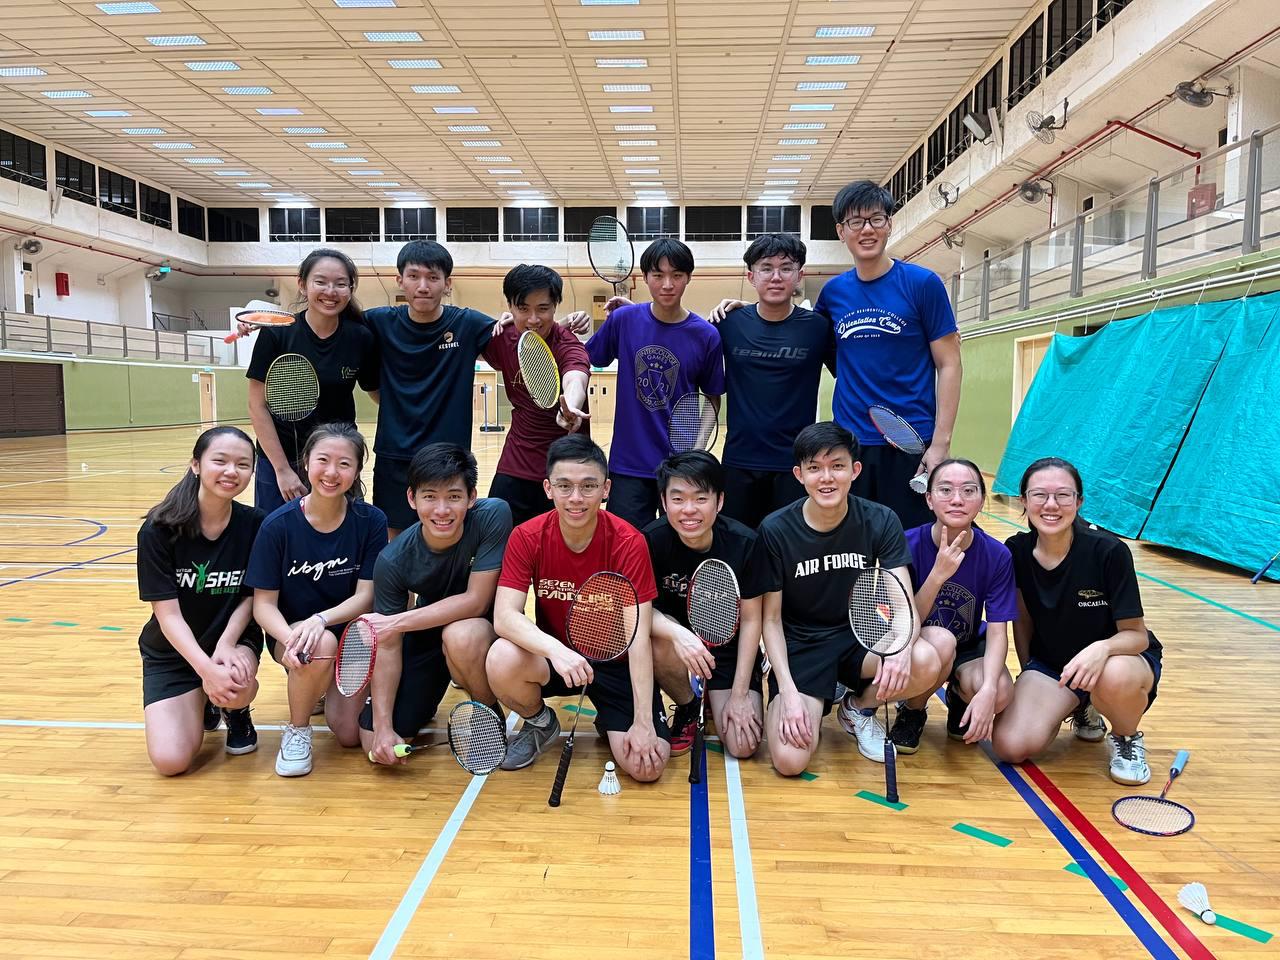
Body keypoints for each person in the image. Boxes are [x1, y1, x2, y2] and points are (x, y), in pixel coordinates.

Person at [711, 182, 962, 530]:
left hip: (909, 440)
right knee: (851, 542)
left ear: (890, 224)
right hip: (849, 444)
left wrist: (940, 443)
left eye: (876, 219)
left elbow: (949, 364)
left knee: (908, 541)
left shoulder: (923, 284)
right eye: (856, 222)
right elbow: (792, 327)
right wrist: (749, 310)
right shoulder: (834, 293)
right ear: (842, 231)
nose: (867, 229)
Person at [758, 422, 947, 777]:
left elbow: (902, 601)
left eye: (837, 466)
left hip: (859, 638)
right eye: (815, 468)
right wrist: (788, 690)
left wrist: (901, 650)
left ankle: (856, 708)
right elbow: (770, 620)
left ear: (855, 470)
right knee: (789, 761)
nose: (826, 478)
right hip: (802, 645)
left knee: (923, 660)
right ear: (799, 475)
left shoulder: (880, 519)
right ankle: (805, 698)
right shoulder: (775, 529)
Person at [487, 434, 669, 782]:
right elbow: (505, 617)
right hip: (558, 662)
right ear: (548, 488)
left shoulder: (629, 542)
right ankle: (540, 723)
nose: (576, 498)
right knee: (501, 657)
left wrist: (643, 721)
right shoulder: (526, 536)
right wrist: (558, 652)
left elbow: (638, 637)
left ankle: (612, 717)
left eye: (588, 486)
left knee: (648, 767)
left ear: (606, 489)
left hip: (615, 664)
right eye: (564, 486)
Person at [993, 457, 1163, 786]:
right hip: (1054, 666)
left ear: (1079, 501)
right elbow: (1022, 619)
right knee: (1010, 746)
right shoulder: (1016, 550)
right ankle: (1081, 705)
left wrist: (1101, 649)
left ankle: (1126, 738)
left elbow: (1136, 636)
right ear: (1024, 500)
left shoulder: (1109, 551)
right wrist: (1028, 672)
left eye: (1063, 495)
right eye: (1039, 495)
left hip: (1117, 662)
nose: (1051, 505)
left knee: (1114, 675)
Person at [247, 423, 388, 777]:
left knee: (349, 734)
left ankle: (333, 684)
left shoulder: (370, 521)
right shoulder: (277, 526)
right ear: (306, 462)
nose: (331, 472)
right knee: (318, 644)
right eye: (323, 460)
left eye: (344, 464)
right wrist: (293, 637)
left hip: (351, 636)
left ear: (357, 471)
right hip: (295, 635)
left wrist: (321, 618)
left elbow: (366, 596)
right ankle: (298, 730)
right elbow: (263, 605)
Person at [361, 443, 512, 765]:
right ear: (412, 498)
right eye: (430, 496)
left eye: (454, 497)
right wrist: (384, 726)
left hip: (486, 628)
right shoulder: (392, 560)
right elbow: (387, 645)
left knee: (461, 636)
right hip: (428, 628)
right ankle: (426, 696)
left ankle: (487, 714)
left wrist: (398, 622)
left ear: (471, 497)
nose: (442, 510)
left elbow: (476, 601)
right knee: (371, 742)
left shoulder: (493, 515)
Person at [136, 426, 264, 775]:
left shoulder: (256, 525)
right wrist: (206, 670)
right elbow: (168, 615)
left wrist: (226, 644)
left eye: (243, 464)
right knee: (171, 762)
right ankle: (203, 696)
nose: (231, 471)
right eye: (220, 461)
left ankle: (235, 710)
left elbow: (252, 596)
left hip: (233, 640)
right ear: (195, 465)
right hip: (173, 651)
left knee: (236, 683)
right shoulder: (159, 530)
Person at [585, 238, 724, 530]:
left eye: (677, 275)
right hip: (629, 465)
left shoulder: (706, 335)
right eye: (658, 275)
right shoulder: (624, 320)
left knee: (678, 546)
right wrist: (560, 326)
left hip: (679, 465)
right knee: (627, 546)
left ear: (688, 277)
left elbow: (712, 398)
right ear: (645, 277)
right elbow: (584, 358)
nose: (667, 284)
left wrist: (696, 450)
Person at [362, 241, 495, 536]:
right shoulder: (377, 322)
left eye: (433, 278)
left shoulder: (468, 323)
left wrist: (560, 324)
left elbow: (520, 335)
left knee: (447, 532)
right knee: (395, 537)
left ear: (447, 284)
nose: (423, 286)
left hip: (449, 457)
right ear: (400, 280)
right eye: (414, 276)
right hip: (394, 454)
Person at [643, 451, 767, 759]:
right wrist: (678, 634)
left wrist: (739, 695)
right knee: (655, 638)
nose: (689, 510)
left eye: (700, 498)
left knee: (743, 745)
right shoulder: (651, 541)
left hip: (727, 648)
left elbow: (752, 620)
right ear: (664, 502)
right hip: (676, 649)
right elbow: (641, 613)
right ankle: (687, 705)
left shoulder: (745, 543)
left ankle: (723, 692)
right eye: (678, 499)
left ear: (719, 501)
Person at [710, 234, 834, 528]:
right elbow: (682, 335)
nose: (776, 277)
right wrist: (635, 311)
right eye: (766, 268)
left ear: (799, 275)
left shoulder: (818, 328)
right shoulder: (728, 323)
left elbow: (851, 373)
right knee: (739, 544)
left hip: (796, 465)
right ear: (751, 276)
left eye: (786, 268)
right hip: (739, 462)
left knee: (789, 547)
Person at [245, 248, 379, 513]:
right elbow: (257, 406)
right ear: (302, 284)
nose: (331, 291)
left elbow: (377, 392)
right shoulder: (277, 334)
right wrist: (282, 470)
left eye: (340, 284)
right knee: (278, 533)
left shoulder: (360, 338)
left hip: (337, 460)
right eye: (320, 281)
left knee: (342, 531)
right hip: (282, 459)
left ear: (350, 289)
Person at [896, 459, 1015, 753]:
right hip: (920, 643)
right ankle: (913, 710)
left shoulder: (997, 555)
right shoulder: (906, 544)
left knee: (1000, 690)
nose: (957, 500)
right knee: (941, 640)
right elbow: (905, 623)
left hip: (968, 645)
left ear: (982, 500)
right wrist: (937, 576)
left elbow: (998, 632)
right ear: (929, 499)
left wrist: (988, 689)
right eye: (946, 490)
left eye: (969, 491)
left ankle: (959, 699)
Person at [483, 264, 591, 526]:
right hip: (515, 463)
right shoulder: (503, 336)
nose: (533, 319)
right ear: (510, 306)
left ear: (555, 306)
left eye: (543, 308)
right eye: (523, 309)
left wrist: (570, 407)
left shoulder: (567, 343)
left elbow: (575, 377)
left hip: (566, 469)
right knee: (496, 532)